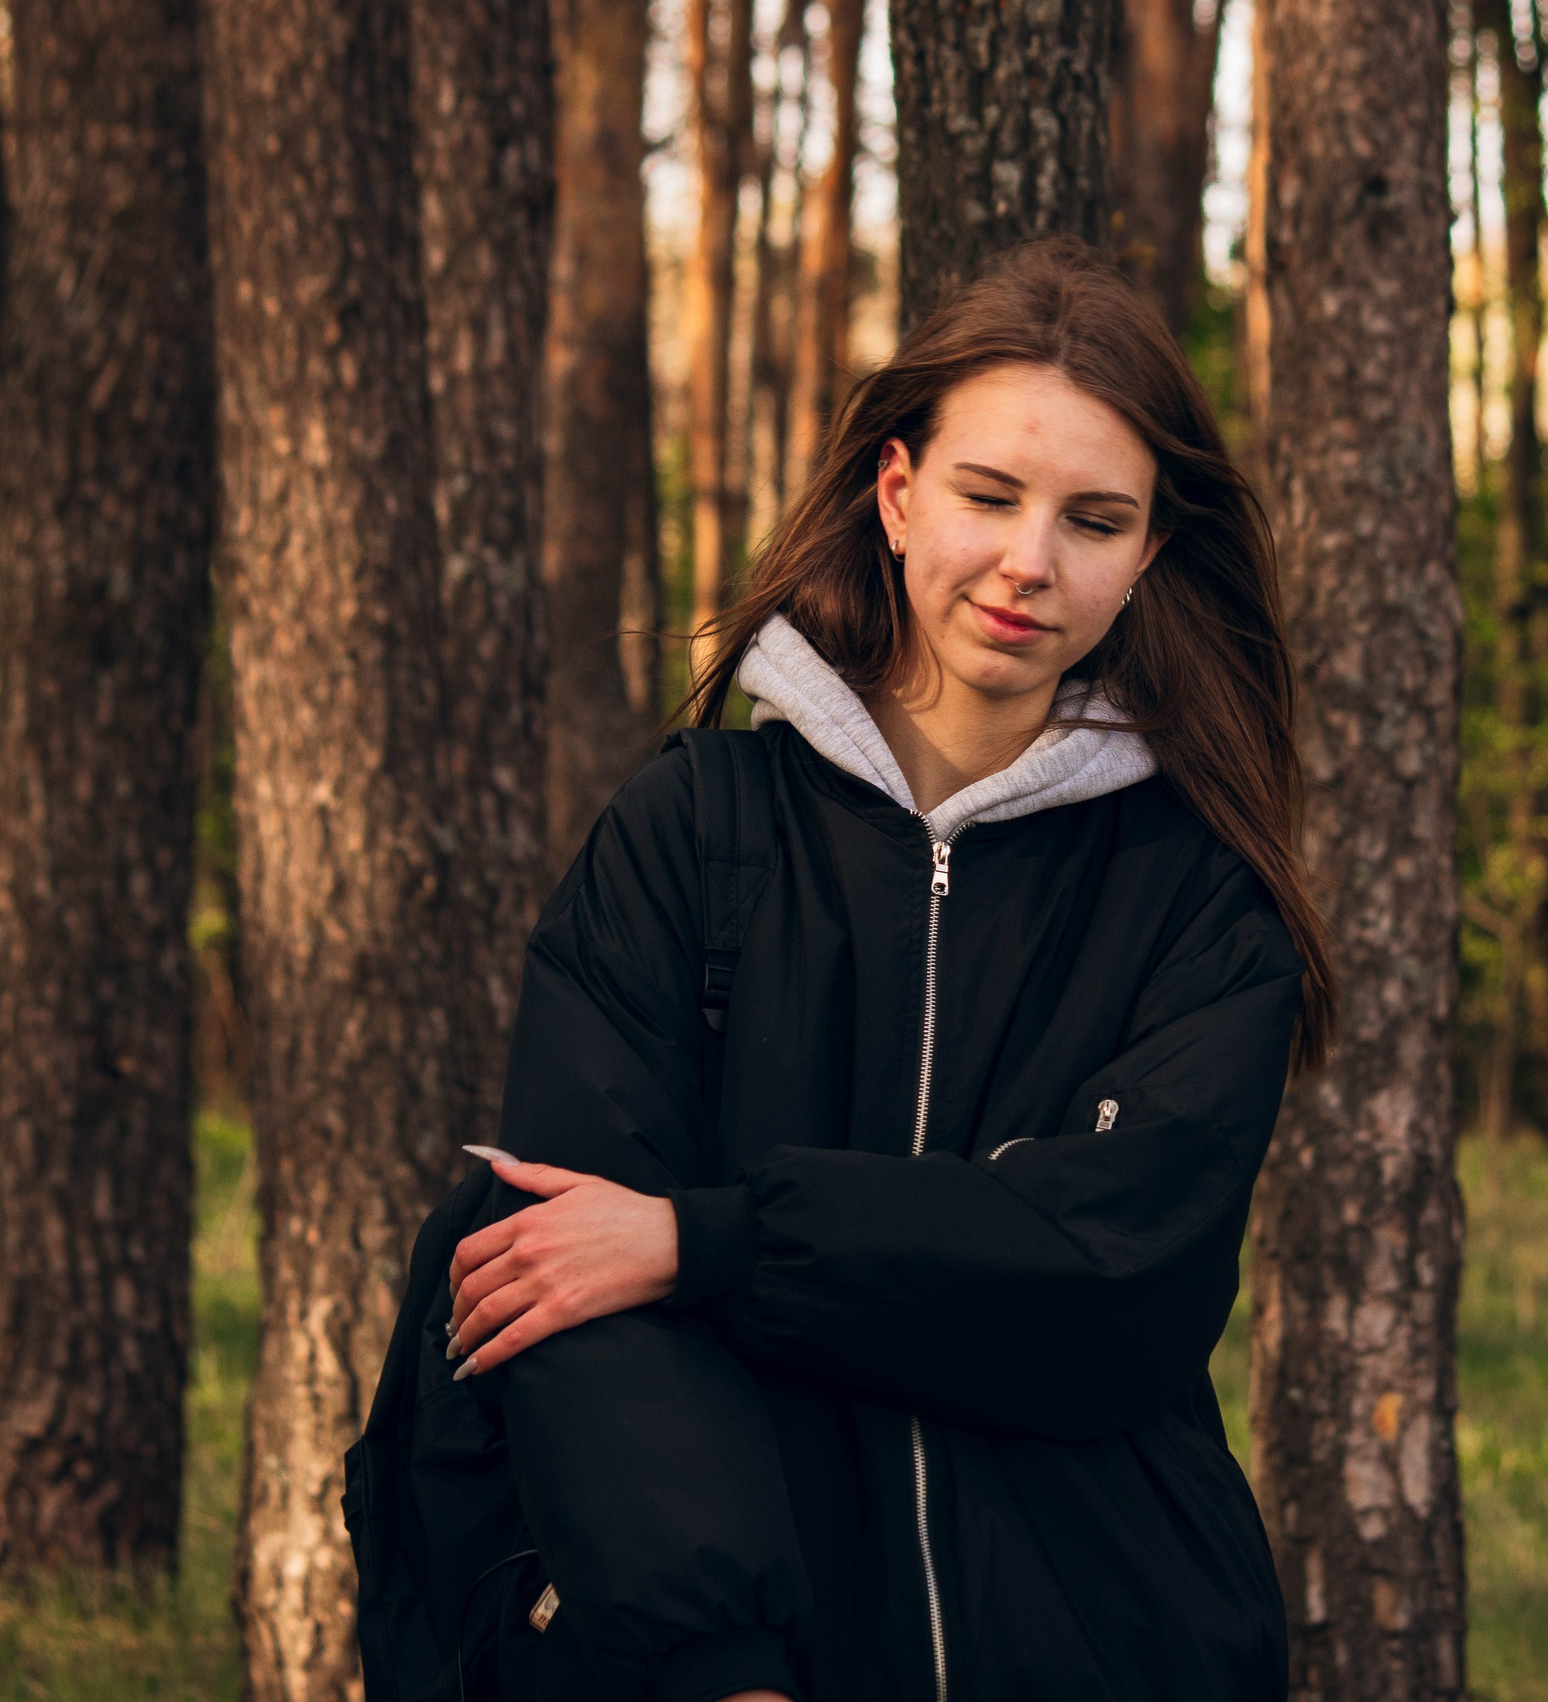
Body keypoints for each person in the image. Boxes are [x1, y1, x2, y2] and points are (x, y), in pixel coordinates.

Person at [345, 237, 1334, 1702]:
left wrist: (708, 1242)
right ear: (897, 493)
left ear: (1147, 554)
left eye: (1094, 520)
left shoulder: (1195, 887)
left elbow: (1114, 1281)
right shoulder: (692, 833)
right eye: (989, 495)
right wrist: (725, 1672)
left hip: (1109, 1648)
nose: (1030, 562)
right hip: (741, 1655)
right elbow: (557, 1279)